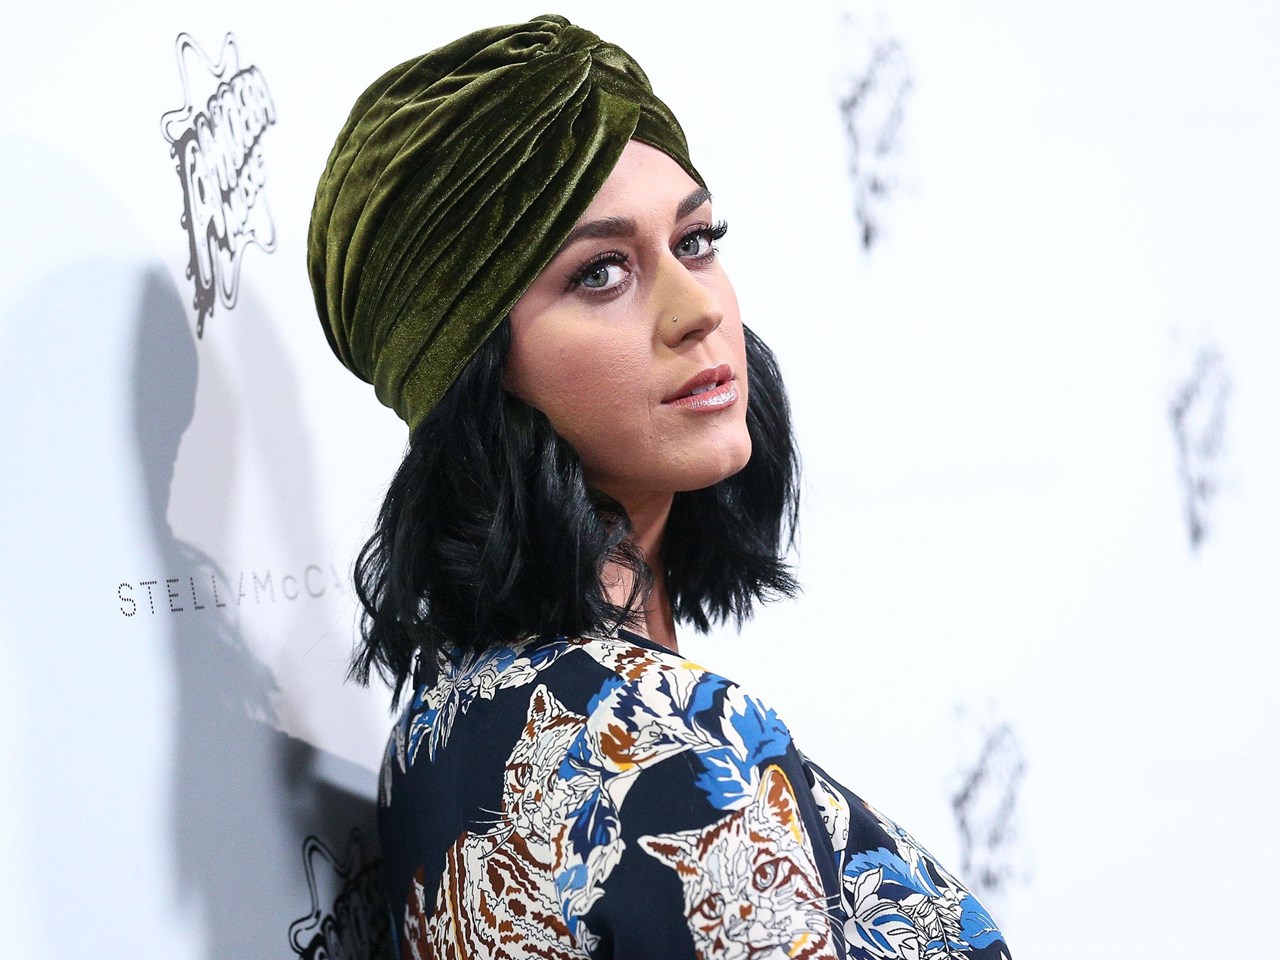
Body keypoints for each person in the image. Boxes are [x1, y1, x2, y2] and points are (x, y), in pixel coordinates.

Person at [307, 14, 1012, 959]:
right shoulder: (664, 745)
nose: (697, 310)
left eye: (696, 240)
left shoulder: (438, 726)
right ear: (470, 365)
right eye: (602, 272)